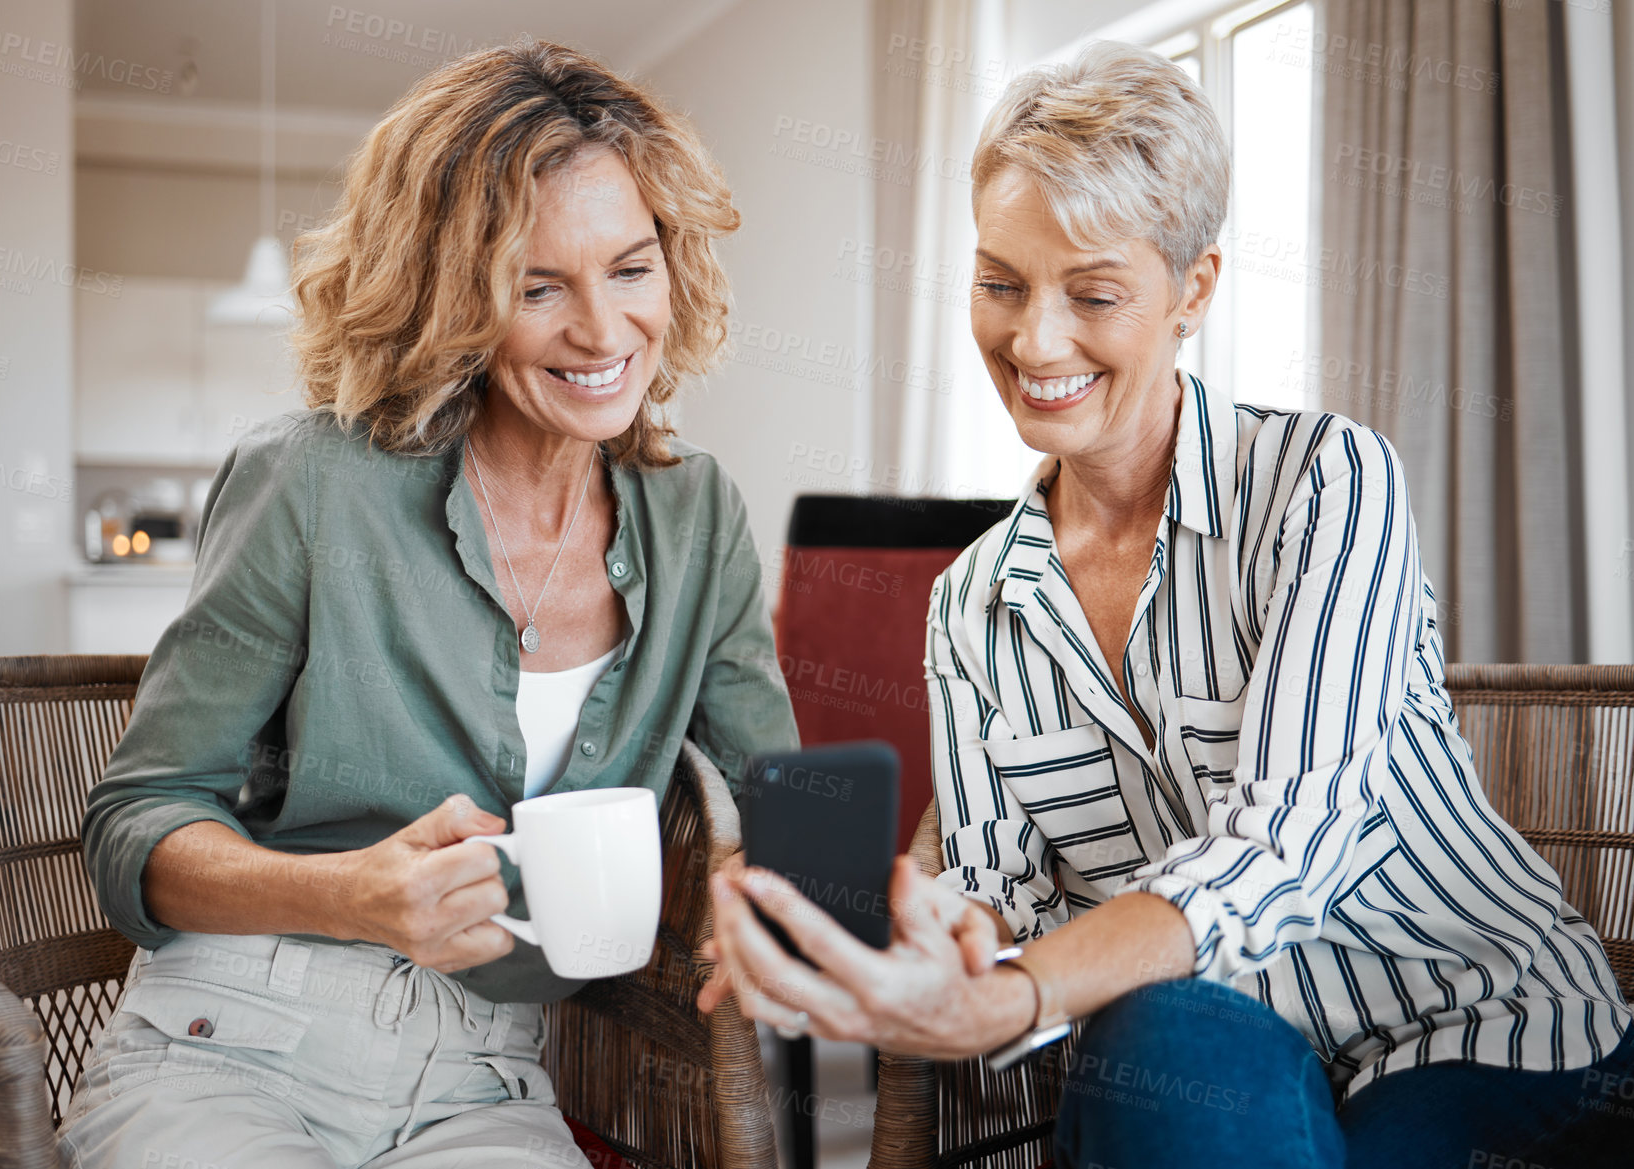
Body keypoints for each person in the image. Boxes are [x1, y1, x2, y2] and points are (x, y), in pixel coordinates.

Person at [699, 42, 1634, 1168]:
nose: (1031, 341)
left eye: (1091, 293)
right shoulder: (969, 606)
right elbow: (997, 888)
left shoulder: (1324, 482)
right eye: (999, 283)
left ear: (1191, 289)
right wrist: (916, 935)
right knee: (1148, 1032)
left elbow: (1283, 844)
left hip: (1474, 1025)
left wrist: (1013, 997)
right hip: (1226, 1034)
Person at [59, 41, 797, 1169]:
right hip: (233, 1033)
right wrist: (350, 893)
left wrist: (763, 879)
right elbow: (136, 823)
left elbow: (774, 803)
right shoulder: (312, 480)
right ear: (452, 295)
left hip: (483, 1071)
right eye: (536, 285)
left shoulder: (697, 517)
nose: (601, 333)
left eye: (631, 269)